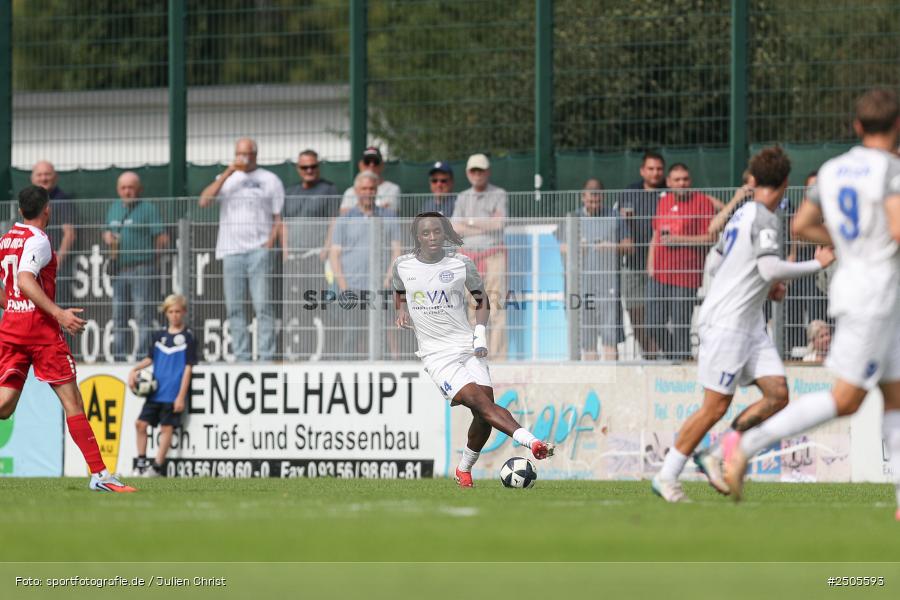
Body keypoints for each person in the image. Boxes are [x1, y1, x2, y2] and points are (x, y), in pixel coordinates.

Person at [724, 90, 900, 519]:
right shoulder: (892, 171)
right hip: (875, 295)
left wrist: (850, 243)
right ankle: (744, 447)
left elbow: (802, 226)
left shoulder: (833, 171)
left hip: (860, 290)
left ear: (857, 126)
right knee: (846, 399)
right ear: (897, 127)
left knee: (895, 396)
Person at [650, 147, 833, 503]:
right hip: (729, 323)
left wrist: (764, 286)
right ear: (784, 184)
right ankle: (666, 475)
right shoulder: (764, 217)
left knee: (778, 393)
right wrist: (816, 264)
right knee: (714, 406)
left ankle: (718, 454)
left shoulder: (742, 213)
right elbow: (766, 268)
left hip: (749, 324)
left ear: (753, 180)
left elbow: (719, 260)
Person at [392, 212, 554, 487]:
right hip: (437, 355)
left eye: (437, 232)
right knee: (482, 404)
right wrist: (401, 310)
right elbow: (398, 291)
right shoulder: (403, 265)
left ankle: (463, 469)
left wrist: (479, 335)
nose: (432, 237)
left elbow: (482, 301)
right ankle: (533, 442)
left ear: (445, 233)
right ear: (417, 237)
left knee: (484, 414)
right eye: (425, 233)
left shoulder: (460, 264)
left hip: (468, 346)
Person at [0, 185, 135, 492]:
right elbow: (24, 279)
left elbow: (12, 284)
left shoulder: (7, 238)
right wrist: (59, 314)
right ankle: (100, 475)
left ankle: (101, 475)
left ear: (20, 210)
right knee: (72, 402)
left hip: (11, 329)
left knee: (5, 405)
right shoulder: (40, 240)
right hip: (40, 332)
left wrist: (12, 306)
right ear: (47, 209)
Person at [200, 138, 284, 362]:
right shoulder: (227, 179)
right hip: (231, 250)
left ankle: (266, 357)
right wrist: (228, 173)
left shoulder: (269, 179)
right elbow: (204, 201)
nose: (242, 158)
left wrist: (270, 244)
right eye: (239, 153)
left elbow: (278, 217)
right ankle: (242, 357)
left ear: (255, 154)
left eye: (246, 154)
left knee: (263, 306)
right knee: (235, 308)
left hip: (259, 250)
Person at [646, 163, 717, 359]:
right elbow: (656, 235)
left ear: (690, 181)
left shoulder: (702, 202)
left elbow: (711, 239)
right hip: (659, 274)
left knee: (680, 327)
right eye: (677, 180)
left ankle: (681, 367)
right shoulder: (663, 201)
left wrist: (681, 239)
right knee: (652, 325)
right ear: (668, 183)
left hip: (685, 276)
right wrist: (650, 264)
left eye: (685, 179)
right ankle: (676, 360)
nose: (682, 183)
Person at [558, 178, 633, 360]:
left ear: (603, 197)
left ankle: (612, 378)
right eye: (590, 200)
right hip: (582, 286)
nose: (593, 204)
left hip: (609, 286)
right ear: (583, 197)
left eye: (597, 200)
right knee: (587, 338)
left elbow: (629, 246)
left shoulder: (615, 217)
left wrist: (611, 246)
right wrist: (577, 248)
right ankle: (592, 380)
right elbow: (563, 248)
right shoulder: (573, 218)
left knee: (610, 337)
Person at [330, 171, 402, 358]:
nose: (368, 192)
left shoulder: (389, 216)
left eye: (371, 188)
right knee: (352, 335)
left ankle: (385, 372)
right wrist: (344, 286)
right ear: (356, 190)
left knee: (383, 335)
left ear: (377, 190)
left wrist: (387, 280)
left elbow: (397, 251)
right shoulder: (345, 219)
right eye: (364, 188)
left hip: (380, 287)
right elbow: (334, 255)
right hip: (352, 287)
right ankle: (346, 371)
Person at [103, 171, 169, 362]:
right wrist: (107, 236)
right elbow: (107, 230)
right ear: (118, 190)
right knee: (118, 315)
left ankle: (142, 356)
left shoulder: (147, 208)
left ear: (139, 189)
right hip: (120, 270)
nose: (127, 191)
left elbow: (162, 237)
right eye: (123, 188)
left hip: (142, 267)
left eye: (131, 187)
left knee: (143, 314)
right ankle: (119, 356)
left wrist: (154, 258)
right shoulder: (114, 207)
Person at [129, 294, 197, 477]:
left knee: (166, 428)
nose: (174, 315)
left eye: (177, 311)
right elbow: (150, 359)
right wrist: (134, 370)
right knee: (140, 424)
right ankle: (141, 464)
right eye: (171, 311)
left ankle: (157, 466)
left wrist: (181, 396)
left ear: (184, 312)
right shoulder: (159, 336)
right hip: (155, 392)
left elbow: (188, 368)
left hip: (173, 393)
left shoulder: (188, 338)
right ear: (166, 313)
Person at [282, 149, 340, 360]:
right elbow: (284, 224)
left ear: (318, 167)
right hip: (294, 260)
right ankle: (300, 350)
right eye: (305, 167)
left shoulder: (328, 189)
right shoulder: (290, 192)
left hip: (316, 258)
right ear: (298, 169)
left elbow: (334, 221)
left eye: (313, 166)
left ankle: (324, 352)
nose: (309, 171)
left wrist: (325, 249)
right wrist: (286, 251)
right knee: (296, 306)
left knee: (317, 305)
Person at [451, 153, 508, 359]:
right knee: (472, 308)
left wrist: (470, 223)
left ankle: (499, 359)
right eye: (474, 170)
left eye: (481, 170)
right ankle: (476, 356)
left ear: (488, 172)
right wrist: (483, 224)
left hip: (494, 256)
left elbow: (499, 224)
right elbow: (455, 228)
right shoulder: (463, 196)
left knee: (497, 306)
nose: (477, 174)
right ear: (468, 173)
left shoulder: (499, 194)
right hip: (468, 257)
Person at [620, 152, 666, 357]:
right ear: (642, 171)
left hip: (663, 266)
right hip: (633, 265)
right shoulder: (630, 192)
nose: (655, 173)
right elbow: (616, 222)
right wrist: (623, 225)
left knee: (660, 317)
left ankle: (669, 358)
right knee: (637, 316)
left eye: (658, 169)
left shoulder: (671, 191)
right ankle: (650, 357)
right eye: (651, 168)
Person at [783, 171, 830, 354]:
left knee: (815, 309)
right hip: (802, 264)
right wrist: (793, 254)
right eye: (810, 187)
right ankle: (791, 352)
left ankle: (820, 351)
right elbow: (797, 236)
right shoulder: (802, 212)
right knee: (792, 305)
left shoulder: (831, 210)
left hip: (823, 269)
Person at [30, 161, 77, 305]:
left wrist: (56, 264)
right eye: (39, 175)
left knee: (58, 308)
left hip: (54, 269)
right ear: (32, 178)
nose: (43, 178)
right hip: (32, 266)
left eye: (47, 174)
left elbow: (69, 234)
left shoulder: (62, 200)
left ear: (55, 177)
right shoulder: (29, 200)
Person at [339, 147, 401, 215]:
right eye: (367, 162)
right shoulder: (349, 192)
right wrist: (379, 208)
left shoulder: (392, 189)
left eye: (376, 162)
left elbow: (391, 213)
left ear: (382, 165)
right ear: (360, 165)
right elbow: (343, 214)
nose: (371, 165)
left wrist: (359, 208)